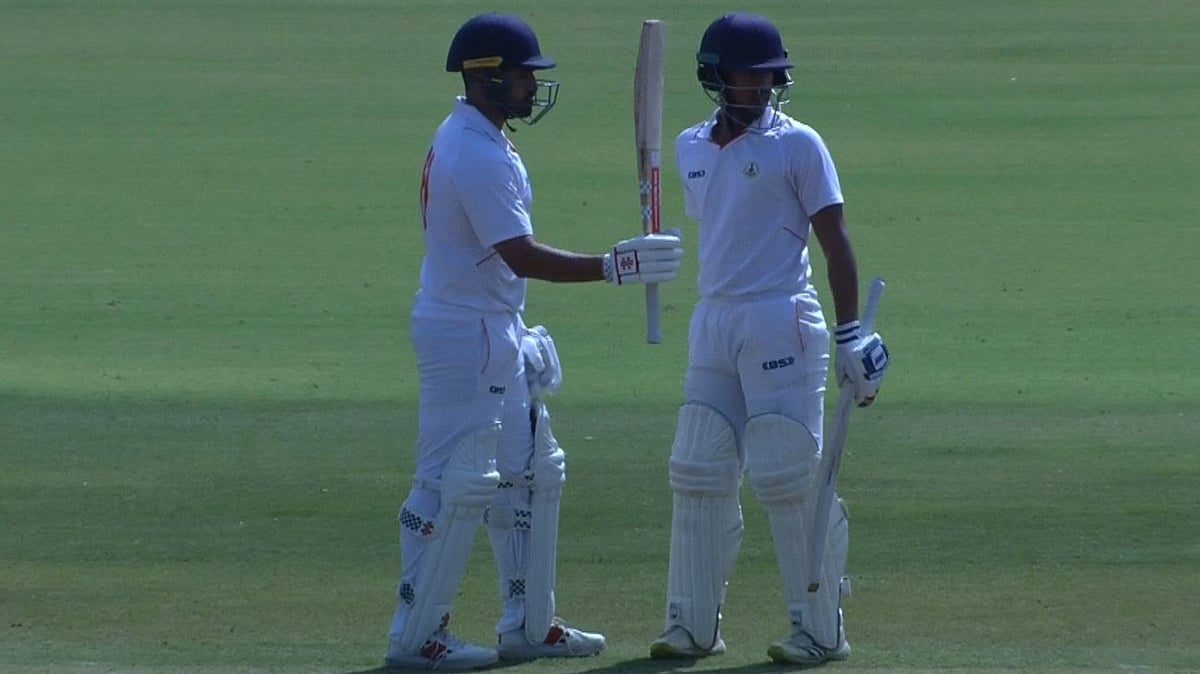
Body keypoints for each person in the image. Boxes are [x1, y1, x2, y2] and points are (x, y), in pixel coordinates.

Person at [384, 12, 685, 672]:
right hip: (463, 334)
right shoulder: (475, 153)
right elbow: (518, 254)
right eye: (522, 75)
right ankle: (416, 633)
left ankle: (528, 623)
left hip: (494, 326)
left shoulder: (483, 137)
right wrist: (615, 266)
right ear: (486, 77)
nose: (531, 86)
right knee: (450, 484)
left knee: (533, 474)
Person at [648, 12, 889, 667]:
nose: (760, 87)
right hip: (714, 320)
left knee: (787, 472)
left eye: (769, 76)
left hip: (782, 318)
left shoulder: (799, 145)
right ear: (716, 76)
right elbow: (724, 228)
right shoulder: (690, 146)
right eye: (748, 75)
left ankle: (820, 630)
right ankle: (691, 625)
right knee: (696, 468)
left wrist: (849, 334)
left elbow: (835, 241)